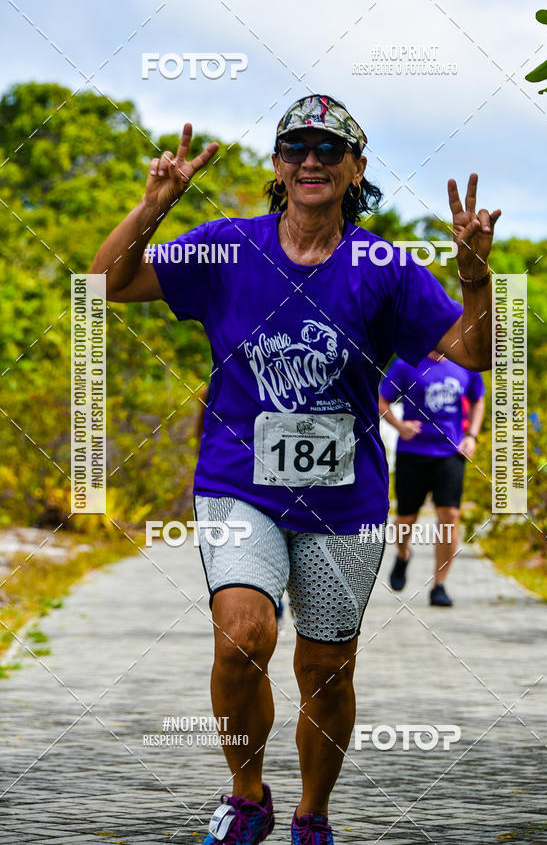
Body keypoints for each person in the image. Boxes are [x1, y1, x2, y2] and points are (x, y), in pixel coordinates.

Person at [90, 94, 500, 844]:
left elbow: (473, 352)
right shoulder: (226, 250)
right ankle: (249, 793)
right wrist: (152, 207)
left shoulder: (385, 266)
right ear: (278, 166)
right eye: (297, 147)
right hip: (239, 482)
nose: (312, 159)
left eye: (329, 149)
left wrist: (476, 278)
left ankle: (313, 814)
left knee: (326, 669)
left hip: (344, 501)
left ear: (356, 169)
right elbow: (106, 283)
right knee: (243, 634)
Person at [379, 352, 485, 606]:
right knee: (405, 518)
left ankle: (440, 584)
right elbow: (381, 400)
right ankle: (403, 554)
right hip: (413, 453)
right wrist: (399, 426)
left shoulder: (466, 363)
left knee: (449, 515)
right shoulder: (407, 363)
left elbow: (478, 399)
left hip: (450, 453)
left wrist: (472, 435)